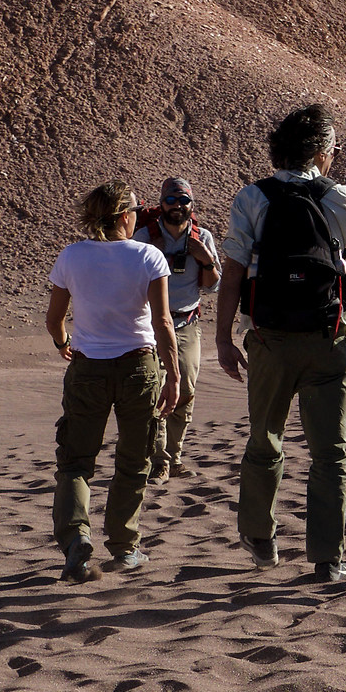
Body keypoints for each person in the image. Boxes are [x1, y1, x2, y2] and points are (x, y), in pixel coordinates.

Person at [213, 103, 346, 583]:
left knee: (265, 437)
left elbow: (233, 274)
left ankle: (260, 536)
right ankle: (328, 558)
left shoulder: (252, 198)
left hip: (268, 338)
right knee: (331, 450)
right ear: (323, 152)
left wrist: (224, 339)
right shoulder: (343, 197)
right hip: (329, 339)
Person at [46, 182, 180, 584]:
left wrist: (64, 343)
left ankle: (75, 538)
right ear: (125, 215)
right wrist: (173, 374)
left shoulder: (72, 256)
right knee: (134, 458)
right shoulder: (148, 256)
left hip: (88, 368)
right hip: (138, 367)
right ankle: (124, 545)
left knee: (75, 461)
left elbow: (54, 319)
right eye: (138, 210)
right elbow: (162, 322)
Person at [135, 176, 219, 483]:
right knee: (154, 392)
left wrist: (206, 260)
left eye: (183, 201)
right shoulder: (144, 237)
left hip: (186, 324)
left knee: (185, 390)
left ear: (191, 205)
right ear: (161, 203)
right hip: (152, 325)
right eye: (171, 201)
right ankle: (158, 460)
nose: (177, 206)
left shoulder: (202, 238)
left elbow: (212, 287)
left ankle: (175, 455)